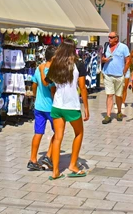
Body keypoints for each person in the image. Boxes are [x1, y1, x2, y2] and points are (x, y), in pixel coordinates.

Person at [47, 42, 89, 180]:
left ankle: (55, 172)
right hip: (72, 106)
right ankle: (73, 165)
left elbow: (47, 81)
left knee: (58, 137)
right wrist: (86, 109)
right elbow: (82, 87)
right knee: (79, 133)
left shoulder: (56, 64)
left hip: (57, 105)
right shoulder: (79, 64)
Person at [28, 46, 56, 171]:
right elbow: (53, 90)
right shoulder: (53, 71)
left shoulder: (39, 68)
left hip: (39, 106)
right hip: (51, 107)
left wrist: (35, 96)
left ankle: (33, 159)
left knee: (38, 133)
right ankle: (48, 156)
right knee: (58, 133)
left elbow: (34, 85)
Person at [101, 32, 129, 124]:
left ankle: (119, 112)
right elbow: (101, 57)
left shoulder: (123, 47)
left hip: (119, 75)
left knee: (118, 95)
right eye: (109, 37)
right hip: (107, 74)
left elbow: (128, 60)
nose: (109, 39)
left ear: (116, 38)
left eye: (111, 37)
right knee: (109, 95)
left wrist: (124, 71)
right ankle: (108, 115)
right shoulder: (106, 46)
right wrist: (103, 60)